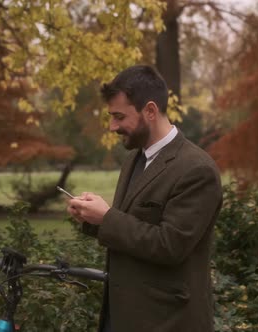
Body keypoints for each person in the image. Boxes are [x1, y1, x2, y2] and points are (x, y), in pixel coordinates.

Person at [66, 65, 222, 332]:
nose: (112, 126)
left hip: (166, 321)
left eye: (118, 117)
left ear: (150, 111)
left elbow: (170, 246)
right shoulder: (134, 159)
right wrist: (92, 218)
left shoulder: (197, 169)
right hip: (123, 317)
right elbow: (133, 228)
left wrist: (107, 218)